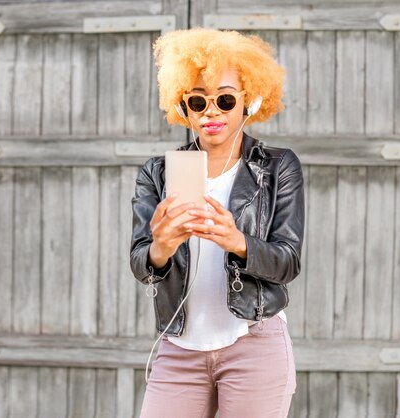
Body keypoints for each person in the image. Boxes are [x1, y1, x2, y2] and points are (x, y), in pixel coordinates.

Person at [130, 28, 304, 418]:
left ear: (251, 101)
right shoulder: (156, 173)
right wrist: (160, 246)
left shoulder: (277, 168)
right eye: (198, 101)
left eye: (225, 100)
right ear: (184, 107)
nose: (211, 112)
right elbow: (141, 263)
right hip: (179, 349)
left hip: (254, 344)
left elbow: (288, 262)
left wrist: (237, 241)